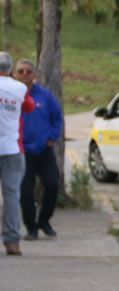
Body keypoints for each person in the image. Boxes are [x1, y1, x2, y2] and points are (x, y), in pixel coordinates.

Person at [16, 58, 63, 240]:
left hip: (44, 150)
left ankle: (44, 220)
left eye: (28, 71)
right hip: (23, 152)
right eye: (21, 71)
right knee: (26, 191)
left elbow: (57, 117)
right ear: (15, 74)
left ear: (34, 75)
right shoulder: (12, 95)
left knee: (52, 184)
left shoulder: (45, 95)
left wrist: (52, 137)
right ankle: (31, 227)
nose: (24, 75)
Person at [0, 52, 35, 256]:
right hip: (12, 149)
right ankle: (12, 241)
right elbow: (29, 107)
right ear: (11, 70)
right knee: (12, 195)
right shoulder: (20, 88)